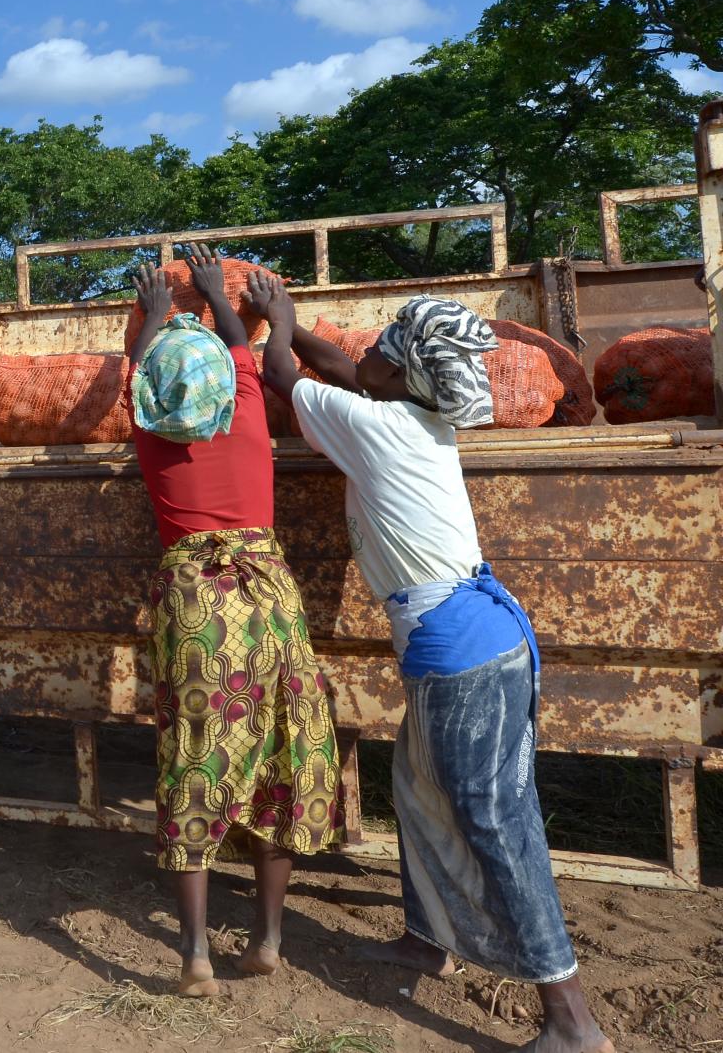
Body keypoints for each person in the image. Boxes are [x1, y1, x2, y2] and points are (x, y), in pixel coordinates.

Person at [247, 276, 613, 1053]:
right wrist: (294, 319)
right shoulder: (413, 413)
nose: (367, 349)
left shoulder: (379, 427)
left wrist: (276, 325)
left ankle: (573, 1021)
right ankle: (428, 938)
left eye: (383, 342)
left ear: (402, 371)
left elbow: (285, 375)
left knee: (495, 822)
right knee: (417, 791)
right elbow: (344, 369)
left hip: (461, 655)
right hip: (470, 639)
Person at [127, 244, 341, 997]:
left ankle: (193, 957)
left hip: (197, 605)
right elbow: (242, 352)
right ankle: (270, 939)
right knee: (279, 755)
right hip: (269, 597)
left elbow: (141, 373)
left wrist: (155, 313)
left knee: (195, 755)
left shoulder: (152, 437)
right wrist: (219, 295)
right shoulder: (247, 411)